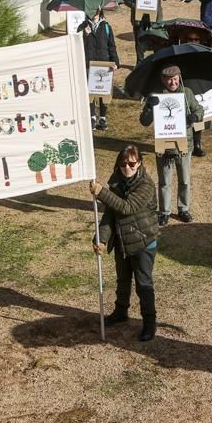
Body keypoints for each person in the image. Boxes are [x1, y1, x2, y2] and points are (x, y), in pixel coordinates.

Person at [90, 146, 161, 341]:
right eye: (123, 164)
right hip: (122, 241)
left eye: (131, 163)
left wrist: (101, 192)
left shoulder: (146, 184)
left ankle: (149, 323)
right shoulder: (117, 182)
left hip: (143, 242)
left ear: (139, 163)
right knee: (122, 281)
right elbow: (110, 214)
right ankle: (121, 312)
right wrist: (101, 239)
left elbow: (127, 207)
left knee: (143, 284)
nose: (127, 167)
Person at [139, 65, 204, 226]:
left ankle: (183, 209)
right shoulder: (156, 96)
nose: (172, 82)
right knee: (164, 182)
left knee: (185, 180)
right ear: (163, 80)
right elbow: (144, 121)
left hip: (185, 144)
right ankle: (164, 212)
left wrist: (194, 116)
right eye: (169, 79)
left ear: (179, 78)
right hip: (164, 145)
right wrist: (149, 106)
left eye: (175, 79)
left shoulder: (187, 93)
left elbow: (200, 110)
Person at [79, 8, 119, 130]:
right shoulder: (82, 27)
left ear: (100, 11)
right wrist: (85, 35)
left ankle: (102, 118)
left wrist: (115, 62)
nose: (94, 13)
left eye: (96, 10)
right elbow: (78, 46)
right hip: (88, 64)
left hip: (104, 64)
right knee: (90, 92)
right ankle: (92, 117)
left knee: (103, 91)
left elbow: (111, 45)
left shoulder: (106, 27)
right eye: (92, 10)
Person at [123, 0, 167, 64]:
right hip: (139, 18)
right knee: (139, 42)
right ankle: (140, 63)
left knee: (157, 40)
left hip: (155, 18)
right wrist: (136, 6)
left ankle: (157, 62)